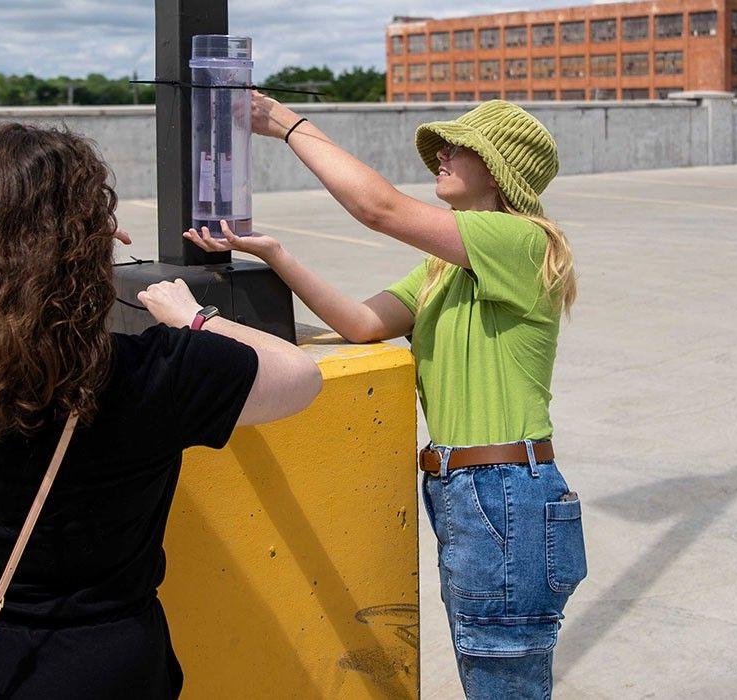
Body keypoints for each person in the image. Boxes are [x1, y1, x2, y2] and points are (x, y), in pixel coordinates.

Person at [0, 122, 321, 698]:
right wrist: (193, 317)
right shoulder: (147, 374)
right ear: (86, 246)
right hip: (94, 666)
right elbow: (300, 376)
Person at [185, 96, 587, 699]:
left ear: (500, 169)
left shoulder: (525, 242)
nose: (442, 155)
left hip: (505, 491)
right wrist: (274, 254)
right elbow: (361, 323)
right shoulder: (444, 269)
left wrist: (290, 127)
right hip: (470, 493)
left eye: (460, 147)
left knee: (504, 686)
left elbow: (378, 209)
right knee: (493, 682)